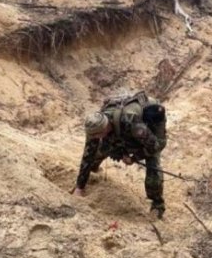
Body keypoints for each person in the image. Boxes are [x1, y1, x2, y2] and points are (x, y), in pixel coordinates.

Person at [72, 91, 167, 219]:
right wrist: (79, 187)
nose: (94, 138)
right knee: (102, 149)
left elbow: (155, 146)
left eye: (97, 136)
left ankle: (157, 205)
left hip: (151, 119)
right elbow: (88, 153)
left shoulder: (131, 121)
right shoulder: (95, 125)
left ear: (105, 128)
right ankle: (93, 171)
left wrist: (134, 158)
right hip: (122, 127)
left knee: (153, 164)